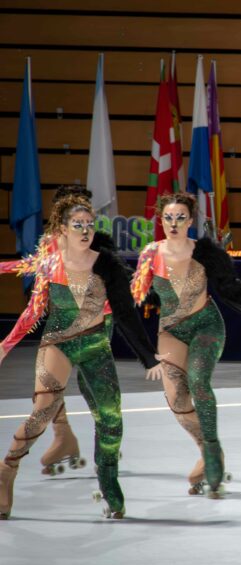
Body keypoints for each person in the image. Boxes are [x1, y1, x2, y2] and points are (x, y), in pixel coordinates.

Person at [0, 196, 163, 519]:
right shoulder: (49, 264)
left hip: (94, 345)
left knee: (111, 419)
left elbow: (127, 314)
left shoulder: (107, 265)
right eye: (78, 225)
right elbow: (34, 312)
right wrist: (5, 346)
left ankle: (108, 479)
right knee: (43, 410)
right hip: (57, 343)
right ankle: (7, 470)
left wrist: (149, 357)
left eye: (90, 225)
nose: (86, 230)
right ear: (63, 228)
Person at [131, 192, 241, 498]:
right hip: (170, 331)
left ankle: (212, 452)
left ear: (191, 221)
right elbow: (135, 296)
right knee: (178, 401)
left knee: (198, 381)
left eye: (181, 217)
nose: (174, 223)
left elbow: (233, 289)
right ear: (161, 220)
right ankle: (205, 450)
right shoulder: (149, 255)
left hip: (206, 325)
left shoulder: (205, 252)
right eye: (168, 217)